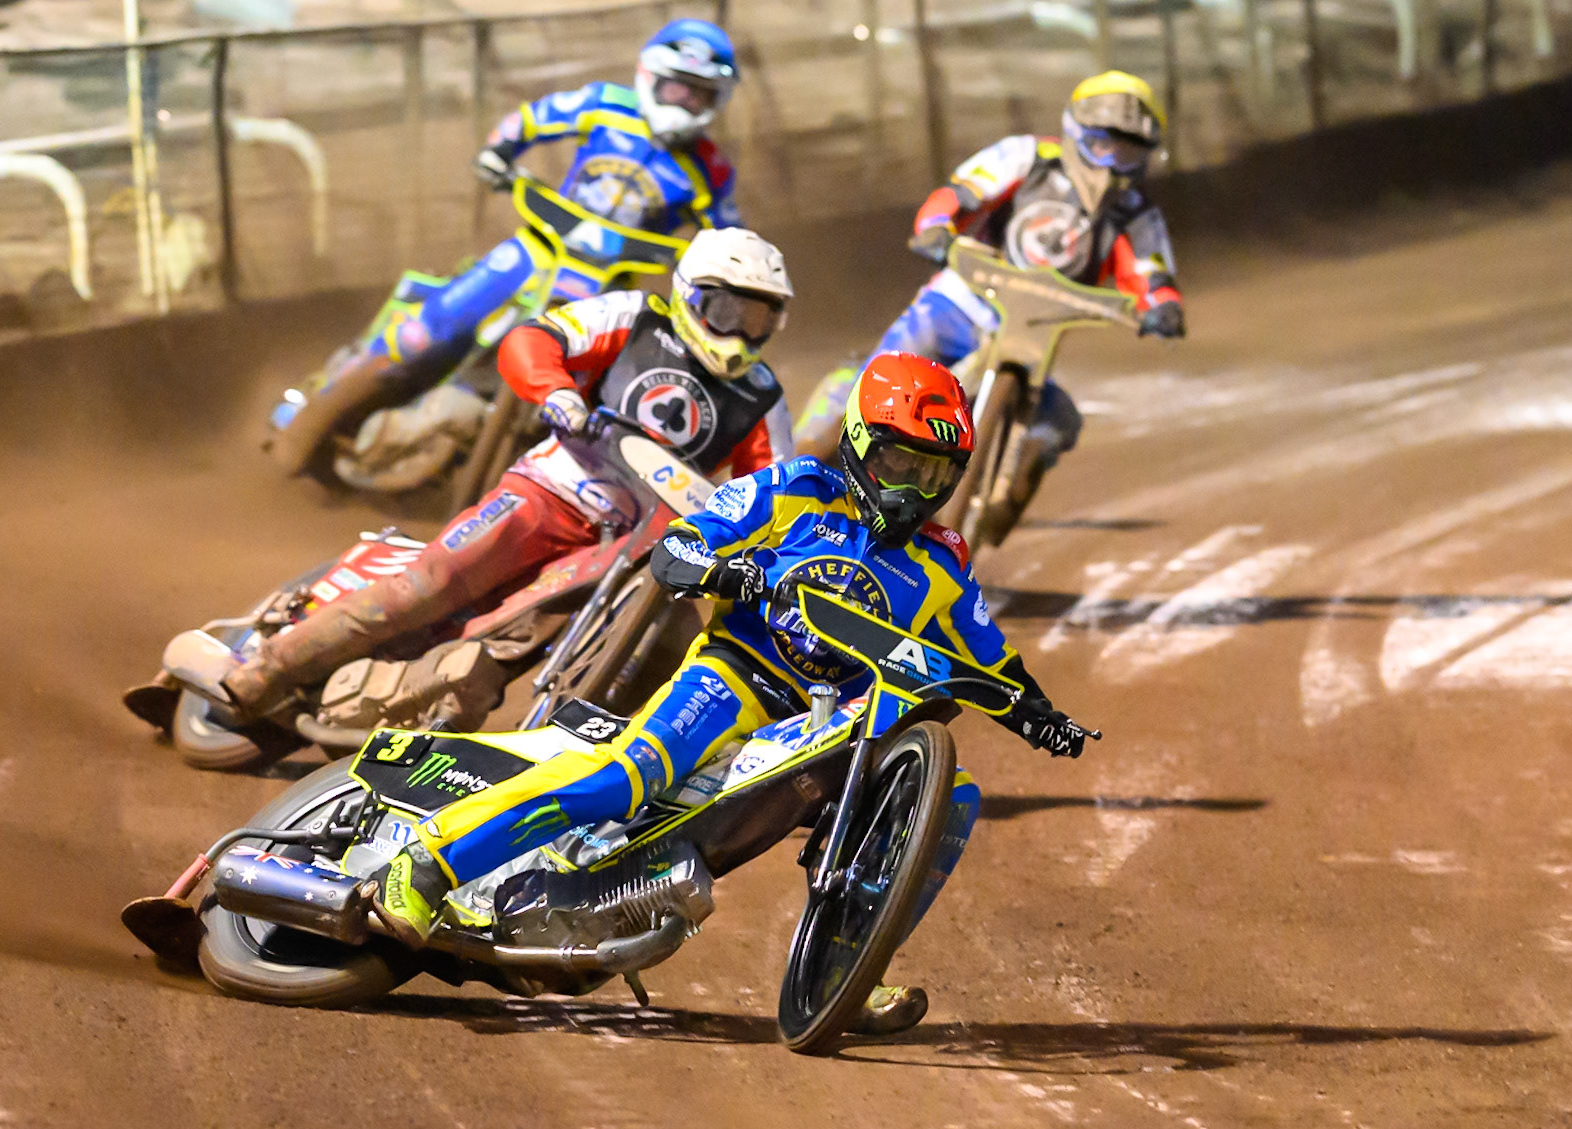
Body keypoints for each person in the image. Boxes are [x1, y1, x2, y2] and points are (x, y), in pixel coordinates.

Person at [372, 352, 1091, 1035]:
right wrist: (726, 572)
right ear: (859, 442)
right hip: (733, 678)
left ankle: (850, 961)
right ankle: (430, 862)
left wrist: (1041, 716)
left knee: (953, 798)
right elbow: (681, 546)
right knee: (620, 778)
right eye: (898, 461)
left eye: (932, 471)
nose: (910, 487)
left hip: (831, 721)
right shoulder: (796, 488)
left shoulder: (942, 559)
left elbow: (991, 658)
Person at [201, 227, 793, 727]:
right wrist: (558, 392)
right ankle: (264, 670)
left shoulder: (763, 398)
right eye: (728, 310)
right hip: (552, 491)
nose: (741, 331)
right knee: (425, 587)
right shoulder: (637, 318)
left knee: (515, 639)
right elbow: (533, 339)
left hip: (635, 545)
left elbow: (777, 492)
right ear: (692, 295)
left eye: (759, 317)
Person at [271, 19, 750, 473]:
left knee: (598, 394)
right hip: (538, 248)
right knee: (430, 328)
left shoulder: (710, 170)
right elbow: (534, 119)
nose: (684, 100)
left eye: (698, 93)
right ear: (651, 76)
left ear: (717, 99)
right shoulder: (608, 104)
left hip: (610, 285)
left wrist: (724, 280)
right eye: (676, 87)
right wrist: (498, 153)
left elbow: (726, 235)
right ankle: (316, 405)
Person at [793, 70, 1186, 476]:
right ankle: (802, 459)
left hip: (1034, 335)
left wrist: (1163, 308)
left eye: (1127, 152)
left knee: (1058, 423)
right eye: (1102, 143)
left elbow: (1151, 274)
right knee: (878, 380)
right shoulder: (1027, 156)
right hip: (957, 302)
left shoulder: (1138, 215)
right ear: (1076, 130)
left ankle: (1003, 489)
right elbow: (963, 192)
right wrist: (936, 227)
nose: (1111, 163)